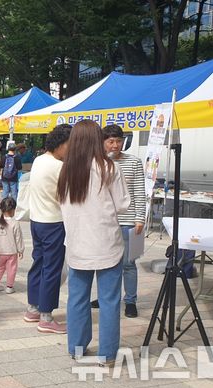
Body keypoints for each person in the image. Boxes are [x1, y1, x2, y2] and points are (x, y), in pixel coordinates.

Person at [57, 120, 130, 365]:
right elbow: (122, 205)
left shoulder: (66, 171)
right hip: (107, 242)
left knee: (77, 298)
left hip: (77, 243)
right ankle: (107, 354)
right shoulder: (108, 167)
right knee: (109, 300)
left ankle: (76, 348)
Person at [91, 124, 147, 318]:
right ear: (103, 142)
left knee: (129, 263)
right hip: (105, 222)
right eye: (111, 141)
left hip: (129, 221)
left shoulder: (134, 162)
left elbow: (140, 192)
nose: (115, 145)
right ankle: (105, 296)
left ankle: (130, 300)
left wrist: (140, 218)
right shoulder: (96, 163)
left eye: (119, 141)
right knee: (104, 263)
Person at [24, 124, 71, 334]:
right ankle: (46, 316)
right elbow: (66, 198)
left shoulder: (39, 160)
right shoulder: (59, 167)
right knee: (51, 269)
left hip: (37, 220)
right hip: (54, 222)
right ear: (61, 144)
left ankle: (33, 308)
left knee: (39, 264)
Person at [0, 197, 24, 293]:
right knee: (11, 268)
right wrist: (20, 250)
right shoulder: (15, 223)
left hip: (0, 251)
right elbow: (18, 238)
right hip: (11, 251)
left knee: (0, 267)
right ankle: (9, 286)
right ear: (13, 210)